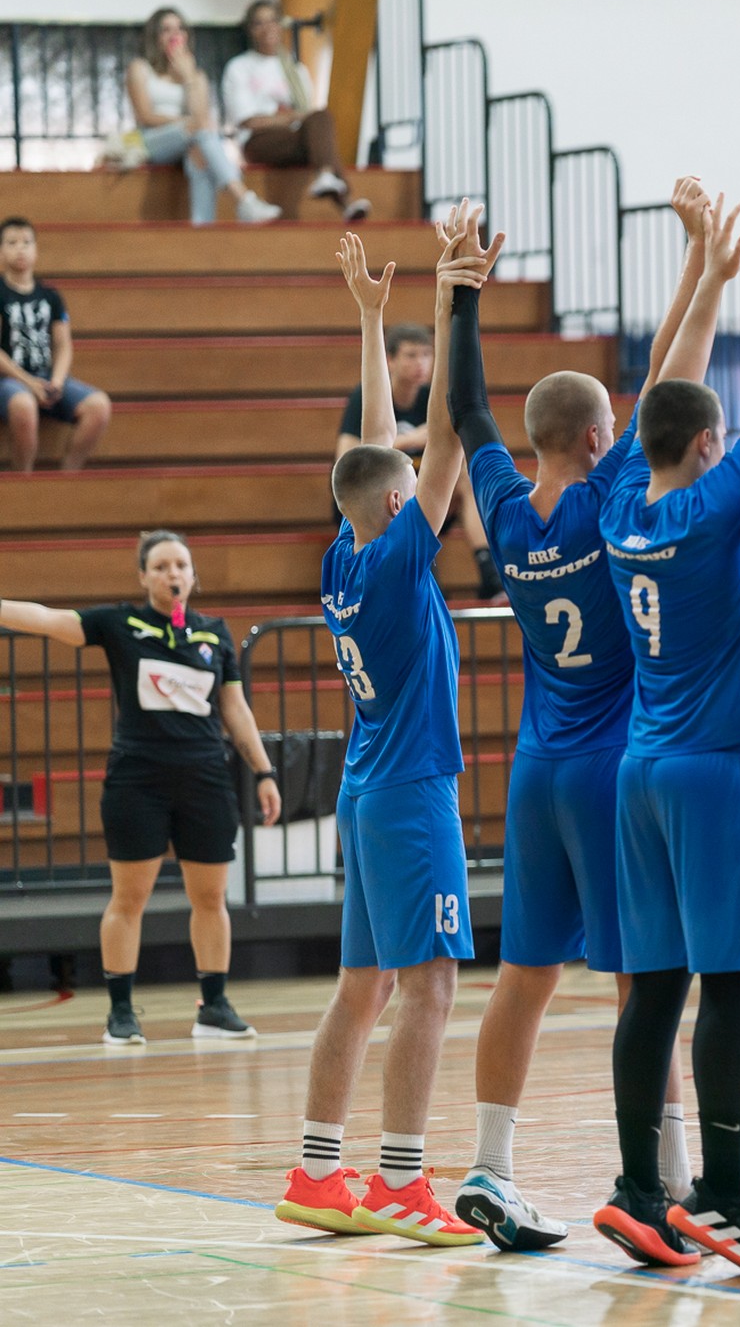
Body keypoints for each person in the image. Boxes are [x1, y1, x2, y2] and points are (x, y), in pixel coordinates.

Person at [441, 180, 715, 1251]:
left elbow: (466, 412)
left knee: (524, 973)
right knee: (641, 978)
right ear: (603, 440)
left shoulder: (508, 509)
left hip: (537, 763)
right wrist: (696, 267)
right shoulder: (608, 503)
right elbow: (666, 380)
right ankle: (661, 1180)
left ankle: (490, 1163)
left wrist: (460, 292)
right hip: (610, 766)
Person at [273, 215, 496, 1248]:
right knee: (433, 982)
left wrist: (368, 321)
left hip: (369, 788)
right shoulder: (403, 558)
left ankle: (319, 1170)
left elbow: (374, 448)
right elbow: (440, 434)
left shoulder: (341, 558)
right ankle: (403, 1183)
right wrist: (457, 295)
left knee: (363, 986)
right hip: (408, 791)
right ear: (402, 507)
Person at [597, 192, 740, 1276]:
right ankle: (719, 1192)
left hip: (640, 767)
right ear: (708, 446)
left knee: (656, 984)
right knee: (733, 984)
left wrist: (709, 274)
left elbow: (665, 389)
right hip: (718, 770)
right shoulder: (713, 506)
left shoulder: (621, 493)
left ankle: (638, 1189)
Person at [0, 531, 279, 1043]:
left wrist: (263, 771)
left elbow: (235, 709)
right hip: (138, 781)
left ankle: (213, 1006)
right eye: (162, 566)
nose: (174, 574)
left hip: (204, 779)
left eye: (182, 565)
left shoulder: (214, 634)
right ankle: (121, 1013)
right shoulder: (119, 623)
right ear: (144, 576)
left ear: (194, 575)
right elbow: (48, 619)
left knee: (211, 898)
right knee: (129, 898)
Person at [336, 323, 502, 600]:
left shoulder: (427, 397)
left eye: (427, 354)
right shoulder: (367, 397)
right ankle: (420, 574)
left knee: (463, 477)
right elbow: (350, 459)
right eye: (411, 355)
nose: (421, 363)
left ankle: (489, 570)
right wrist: (411, 439)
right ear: (390, 360)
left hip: (412, 495)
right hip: (375, 498)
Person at [125, 8, 280, 225]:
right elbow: (144, 116)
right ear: (155, 37)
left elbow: (202, 119)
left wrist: (188, 78)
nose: (174, 35)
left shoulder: (196, 75)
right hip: (151, 141)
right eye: (166, 30)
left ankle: (202, 227)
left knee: (199, 152)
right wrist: (186, 123)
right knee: (199, 132)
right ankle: (243, 199)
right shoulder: (140, 68)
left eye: (180, 29)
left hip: (190, 141)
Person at [221, 0, 371, 221]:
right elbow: (248, 121)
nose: (267, 28)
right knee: (318, 134)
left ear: (280, 25)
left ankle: (327, 177)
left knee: (321, 118)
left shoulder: (296, 69)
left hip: (296, 136)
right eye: (259, 23)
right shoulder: (239, 67)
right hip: (258, 141)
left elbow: (310, 117)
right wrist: (290, 117)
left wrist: (295, 118)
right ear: (251, 30)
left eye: (272, 21)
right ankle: (343, 197)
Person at [1, 217, 113, 473]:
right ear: (1, 250)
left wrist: (57, 382)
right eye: (12, 243)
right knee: (23, 405)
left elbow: (63, 344)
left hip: (47, 376)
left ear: (36, 250)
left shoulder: (50, 296)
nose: (21, 248)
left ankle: (67, 476)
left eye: (27, 242)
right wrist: (28, 383)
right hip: (9, 380)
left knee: (99, 405)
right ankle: (24, 477)